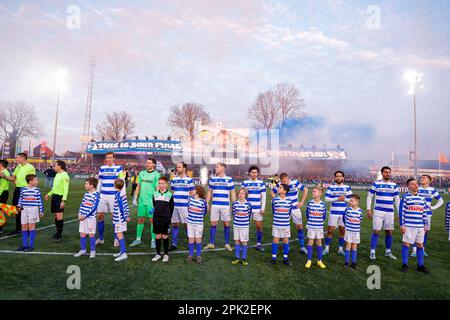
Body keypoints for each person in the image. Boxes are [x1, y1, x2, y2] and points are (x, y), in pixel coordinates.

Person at [366, 166, 400, 260]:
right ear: (382, 173)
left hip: (390, 212)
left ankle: (388, 252)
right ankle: (372, 252)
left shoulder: (394, 185)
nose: (388, 174)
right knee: (376, 231)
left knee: (389, 232)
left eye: (389, 172)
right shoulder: (376, 184)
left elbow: (397, 200)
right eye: (386, 172)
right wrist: (369, 209)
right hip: (378, 211)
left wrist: (399, 212)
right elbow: (369, 197)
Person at [271, 172, 308, 254]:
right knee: (284, 226)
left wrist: (301, 202)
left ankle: (302, 246)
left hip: (295, 208)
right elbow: (272, 192)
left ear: (288, 179)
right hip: (284, 209)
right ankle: (286, 246)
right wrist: (277, 200)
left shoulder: (295, 182)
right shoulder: (279, 184)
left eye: (284, 181)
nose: (283, 183)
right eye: (282, 182)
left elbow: (305, 189)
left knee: (299, 226)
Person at [0, 153, 36, 235]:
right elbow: (13, 178)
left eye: (17, 158)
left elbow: (33, 180)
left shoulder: (30, 167)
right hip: (18, 189)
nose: (16, 160)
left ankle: (27, 228)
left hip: (26, 190)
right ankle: (18, 229)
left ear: (22, 158)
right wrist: (5, 177)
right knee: (17, 209)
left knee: (25, 209)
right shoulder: (18, 167)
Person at [399, 178, 429, 274]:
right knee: (406, 244)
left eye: (416, 184)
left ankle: (420, 265)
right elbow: (401, 211)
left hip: (420, 226)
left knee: (420, 245)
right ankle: (405, 264)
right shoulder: (405, 197)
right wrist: (402, 225)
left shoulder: (422, 198)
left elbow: (424, 212)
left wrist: (425, 224)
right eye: (413, 184)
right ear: (409, 186)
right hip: (409, 225)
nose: (416, 185)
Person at [204, 163, 236, 251]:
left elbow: (232, 193)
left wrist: (235, 204)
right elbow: (209, 192)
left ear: (223, 168)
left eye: (217, 167)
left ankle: (226, 243)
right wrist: (207, 203)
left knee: (226, 224)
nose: (215, 168)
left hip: (225, 205)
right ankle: (211, 243)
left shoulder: (229, 179)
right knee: (213, 224)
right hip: (215, 205)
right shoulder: (213, 179)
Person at [96, 152, 125, 247]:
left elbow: (122, 181)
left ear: (114, 158)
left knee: (115, 217)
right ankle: (100, 238)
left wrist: (122, 194)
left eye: (110, 157)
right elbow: (100, 181)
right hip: (103, 195)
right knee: (99, 216)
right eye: (107, 157)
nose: (108, 159)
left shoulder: (119, 168)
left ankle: (116, 239)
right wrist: (97, 193)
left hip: (114, 196)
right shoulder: (102, 168)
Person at [130, 158, 161, 248]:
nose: (147, 164)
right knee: (140, 220)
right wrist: (135, 197)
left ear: (154, 165)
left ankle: (153, 240)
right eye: (147, 163)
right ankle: (138, 239)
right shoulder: (142, 173)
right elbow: (138, 186)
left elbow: (157, 189)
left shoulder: (157, 175)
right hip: (142, 202)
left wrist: (157, 201)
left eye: (149, 163)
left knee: (152, 221)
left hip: (151, 203)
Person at [412, 175, 444, 257]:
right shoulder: (417, 188)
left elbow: (441, 201)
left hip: (427, 214)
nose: (421, 178)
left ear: (429, 181)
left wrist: (433, 207)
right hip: (417, 214)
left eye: (424, 178)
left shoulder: (432, 190)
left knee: (425, 232)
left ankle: (422, 250)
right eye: (421, 177)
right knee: (416, 232)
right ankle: (414, 251)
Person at [323, 171, 352, 256]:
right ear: (335, 178)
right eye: (337, 176)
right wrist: (337, 198)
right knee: (330, 230)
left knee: (342, 231)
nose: (338, 178)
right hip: (333, 213)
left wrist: (344, 199)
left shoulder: (347, 188)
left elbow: (351, 200)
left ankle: (340, 249)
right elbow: (326, 199)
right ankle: (326, 249)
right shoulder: (331, 187)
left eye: (340, 176)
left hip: (344, 213)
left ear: (343, 178)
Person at [169, 161, 195, 251]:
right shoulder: (174, 180)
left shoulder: (189, 180)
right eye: (177, 167)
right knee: (175, 224)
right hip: (175, 206)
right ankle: (174, 243)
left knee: (186, 224)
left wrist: (190, 204)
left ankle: (190, 242)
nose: (177, 168)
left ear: (184, 168)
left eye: (179, 167)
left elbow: (192, 193)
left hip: (185, 206)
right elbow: (172, 192)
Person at [16, 174, 43, 252]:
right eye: (36, 180)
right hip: (24, 209)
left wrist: (41, 210)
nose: (37, 181)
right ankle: (24, 245)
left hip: (33, 210)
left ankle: (30, 246)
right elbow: (20, 199)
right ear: (30, 181)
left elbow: (39, 200)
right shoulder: (23, 189)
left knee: (31, 227)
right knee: (24, 227)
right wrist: (19, 206)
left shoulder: (37, 190)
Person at [241, 166, 266, 251]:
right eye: (252, 172)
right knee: (244, 226)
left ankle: (259, 244)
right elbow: (242, 195)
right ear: (249, 173)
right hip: (247, 208)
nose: (254, 174)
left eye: (255, 172)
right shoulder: (245, 183)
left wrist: (262, 208)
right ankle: (244, 243)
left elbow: (264, 196)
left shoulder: (261, 183)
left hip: (257, 209)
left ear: (257, 173)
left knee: (259, 226)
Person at [74, 178, 100, 259]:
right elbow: (82, 204)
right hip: (83, 217)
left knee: (91, 234)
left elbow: (94, 208)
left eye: (86, 184)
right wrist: (79, 214)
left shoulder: (96, 194)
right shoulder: (86, 194)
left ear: (92, 185)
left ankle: (93, 251)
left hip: (90, 218)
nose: (84, 185)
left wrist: (85, 216)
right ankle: (83, 250)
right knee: (82, 233)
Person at [44, 160, 70, 242]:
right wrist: (49, 194)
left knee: (59, 216)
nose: (54, 167)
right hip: (54, 196)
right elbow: (55, 187)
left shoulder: (65, 176)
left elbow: (66, 189)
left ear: (59, 166)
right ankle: (57, 233)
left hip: (60, 198)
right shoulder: (57, 174)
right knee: (56, 216)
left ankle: (59, 235)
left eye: (55, 165)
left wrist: (63, 200)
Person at [151, 176, 174, 263]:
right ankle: (157, 254)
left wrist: (168, 218)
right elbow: (154, 204)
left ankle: (166, 254)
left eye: (163, 183)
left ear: (167, 185)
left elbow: (171, 207)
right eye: (159, 183)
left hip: (165, 219)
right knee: (157, 236)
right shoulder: (155, 194)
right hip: (156, 218)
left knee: (164, 236)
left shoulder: (170, 195)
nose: (161, 185)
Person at [270, 183, 293, 266]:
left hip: (286, 225)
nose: (278, 189)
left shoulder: (289, 201)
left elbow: (289, 213)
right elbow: (273, 211)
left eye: (280, 188)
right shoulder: (275, 200)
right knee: (275, 240)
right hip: (276, 224)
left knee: (285, 241)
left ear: (285, 191)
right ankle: (273, 259)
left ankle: (285, 259)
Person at [304, 185, 327, 269]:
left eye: (315, 191)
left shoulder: (323, 204)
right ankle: (309, 260)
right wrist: (311, 222)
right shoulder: (310, 203)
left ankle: (319, 261)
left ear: (320, 193)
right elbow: (307, 214)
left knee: (319, 242)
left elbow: (324, 216)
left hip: (319, 227)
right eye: (313, 191)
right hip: (311, 226)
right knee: (310, 242)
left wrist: (319, 223)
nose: (313, 193)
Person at [186, 185, 208, 264]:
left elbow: (204, 212)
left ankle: (198, 255)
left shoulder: (203, 202)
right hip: (190, 222)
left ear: (198, 192)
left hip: (198, 223)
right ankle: (191, 255)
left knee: (198, 239)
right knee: (191, 239)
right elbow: (188, 208)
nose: (192, 190)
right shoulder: (190, 199)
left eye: (194, 189)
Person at [231, 188, 252, 266]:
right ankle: (237, 257)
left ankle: (243, 258)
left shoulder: (248, 204)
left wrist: (246, 223)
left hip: (244, 226)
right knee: (237, 241)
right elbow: (234, 214)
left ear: (245, 195)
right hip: (236, 225)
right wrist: (236, 221)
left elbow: (249, 215)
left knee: (243, 241)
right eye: (239, 193)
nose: (240, 195)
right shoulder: (235, 204)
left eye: (242, 193)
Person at [343, 194, 364, 269]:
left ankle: (354, 263)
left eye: (352, 201)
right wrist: (348, 226)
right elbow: (344, 219)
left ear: (357, 202)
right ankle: (346, 262)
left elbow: (360, 220)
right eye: (350, 201)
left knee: (354, 247)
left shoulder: (360, 211)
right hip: (349, 231)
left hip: (356, 231)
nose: (350, 202)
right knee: (348, 246)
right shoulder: (348, 210)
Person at [112, 179, 130, 262]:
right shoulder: (119, 194)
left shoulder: (119, 195)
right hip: (118, 218)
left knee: (120, 235)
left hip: (120, 219)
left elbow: (123, 207)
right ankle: (121, 252)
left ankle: (124, 254)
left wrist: (126, 216)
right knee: (119, 234)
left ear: (115, 186)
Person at [0, 160, 10, 234]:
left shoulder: (4, 172)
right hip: (3, 193)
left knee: (1, 211)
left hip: (2, 193)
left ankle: (0, 228)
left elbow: (3, 186)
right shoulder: (4, 172)